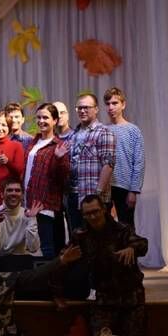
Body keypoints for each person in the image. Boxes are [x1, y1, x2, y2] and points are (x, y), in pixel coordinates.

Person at [73, 195, 148, 336]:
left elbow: (142, 244)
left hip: (131, 299)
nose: (92, 217)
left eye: (95, 211)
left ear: (104, 210)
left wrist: (132, 248)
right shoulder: (81, 235)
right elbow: (65, 258)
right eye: (88, 214)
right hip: (104, 300)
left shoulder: (122, 229)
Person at [24, 103, 71, 256]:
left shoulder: (59, 145)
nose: (41, 121)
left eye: (45, 117)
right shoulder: (33, 142)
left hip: (45, 205)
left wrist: (59, 158)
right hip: (29, 203)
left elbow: (63, 178)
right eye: (38, 117)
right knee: (31, 249)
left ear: (55, 121)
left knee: (47, 249)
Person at [67, 94, 115, 233]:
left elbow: (109, 164)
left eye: (86, 107)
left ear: (96, 109)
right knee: (77, 236)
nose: (82, 111)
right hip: (74, 195)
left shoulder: (104, 132)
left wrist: (98, 194)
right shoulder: (74, 134)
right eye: (79, 108)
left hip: (93, 196)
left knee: (98, 237)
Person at [104, 87, 145, 225]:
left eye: (115, 103)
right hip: (106, 186)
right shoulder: (103, 130)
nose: (111, 107)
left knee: (126, 227)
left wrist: (134, 190)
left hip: (124, 186)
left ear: (123, 104)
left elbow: (139, 162)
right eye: (108, 104)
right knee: (106, 227)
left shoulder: (133, 130)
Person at [0, 110, 25, 225]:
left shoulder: (16, 146)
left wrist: (8, 162)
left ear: (9, 128)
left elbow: (20, 172)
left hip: (8, 200)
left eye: (4, 125)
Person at [0, 180, 42, 256]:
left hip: (22, 259)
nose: (13, 193)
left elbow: (33, 248)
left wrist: (32, 219)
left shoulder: (28, 214)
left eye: (17, 190)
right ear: (2, 195)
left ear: (22, 195)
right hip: (0, 259)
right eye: (9, 190)